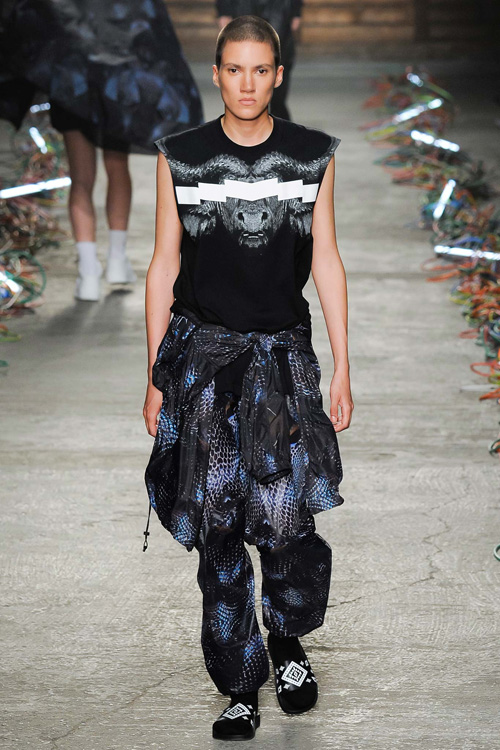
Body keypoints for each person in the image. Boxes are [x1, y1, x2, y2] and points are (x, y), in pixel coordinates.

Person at [143, 15, 353, 741]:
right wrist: (156, 377)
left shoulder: (312, 156)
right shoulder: (181, 157)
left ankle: (287, 642)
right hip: (204, 362)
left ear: (278, 75)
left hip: (283, 361)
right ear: (217, 73)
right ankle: (238, 682)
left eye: (261, 70)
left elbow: (325, 257)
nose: (247, 83)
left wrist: (344, 364)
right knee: (220, 528)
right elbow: (164, 265)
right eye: (234, 69)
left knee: (286, 518)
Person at [0, 0, 203, 301]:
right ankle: (117, 260)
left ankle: (88, 273)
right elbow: (148, 25)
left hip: (73, 80)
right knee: (116, 167)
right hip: (114, 81)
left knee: (82, 177)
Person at [216, 0, 303, 120]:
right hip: (245, 5)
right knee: (245, 57)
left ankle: (277, 119)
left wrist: (296, 10)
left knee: (278, 59)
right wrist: (224, 9)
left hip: (278, 6)